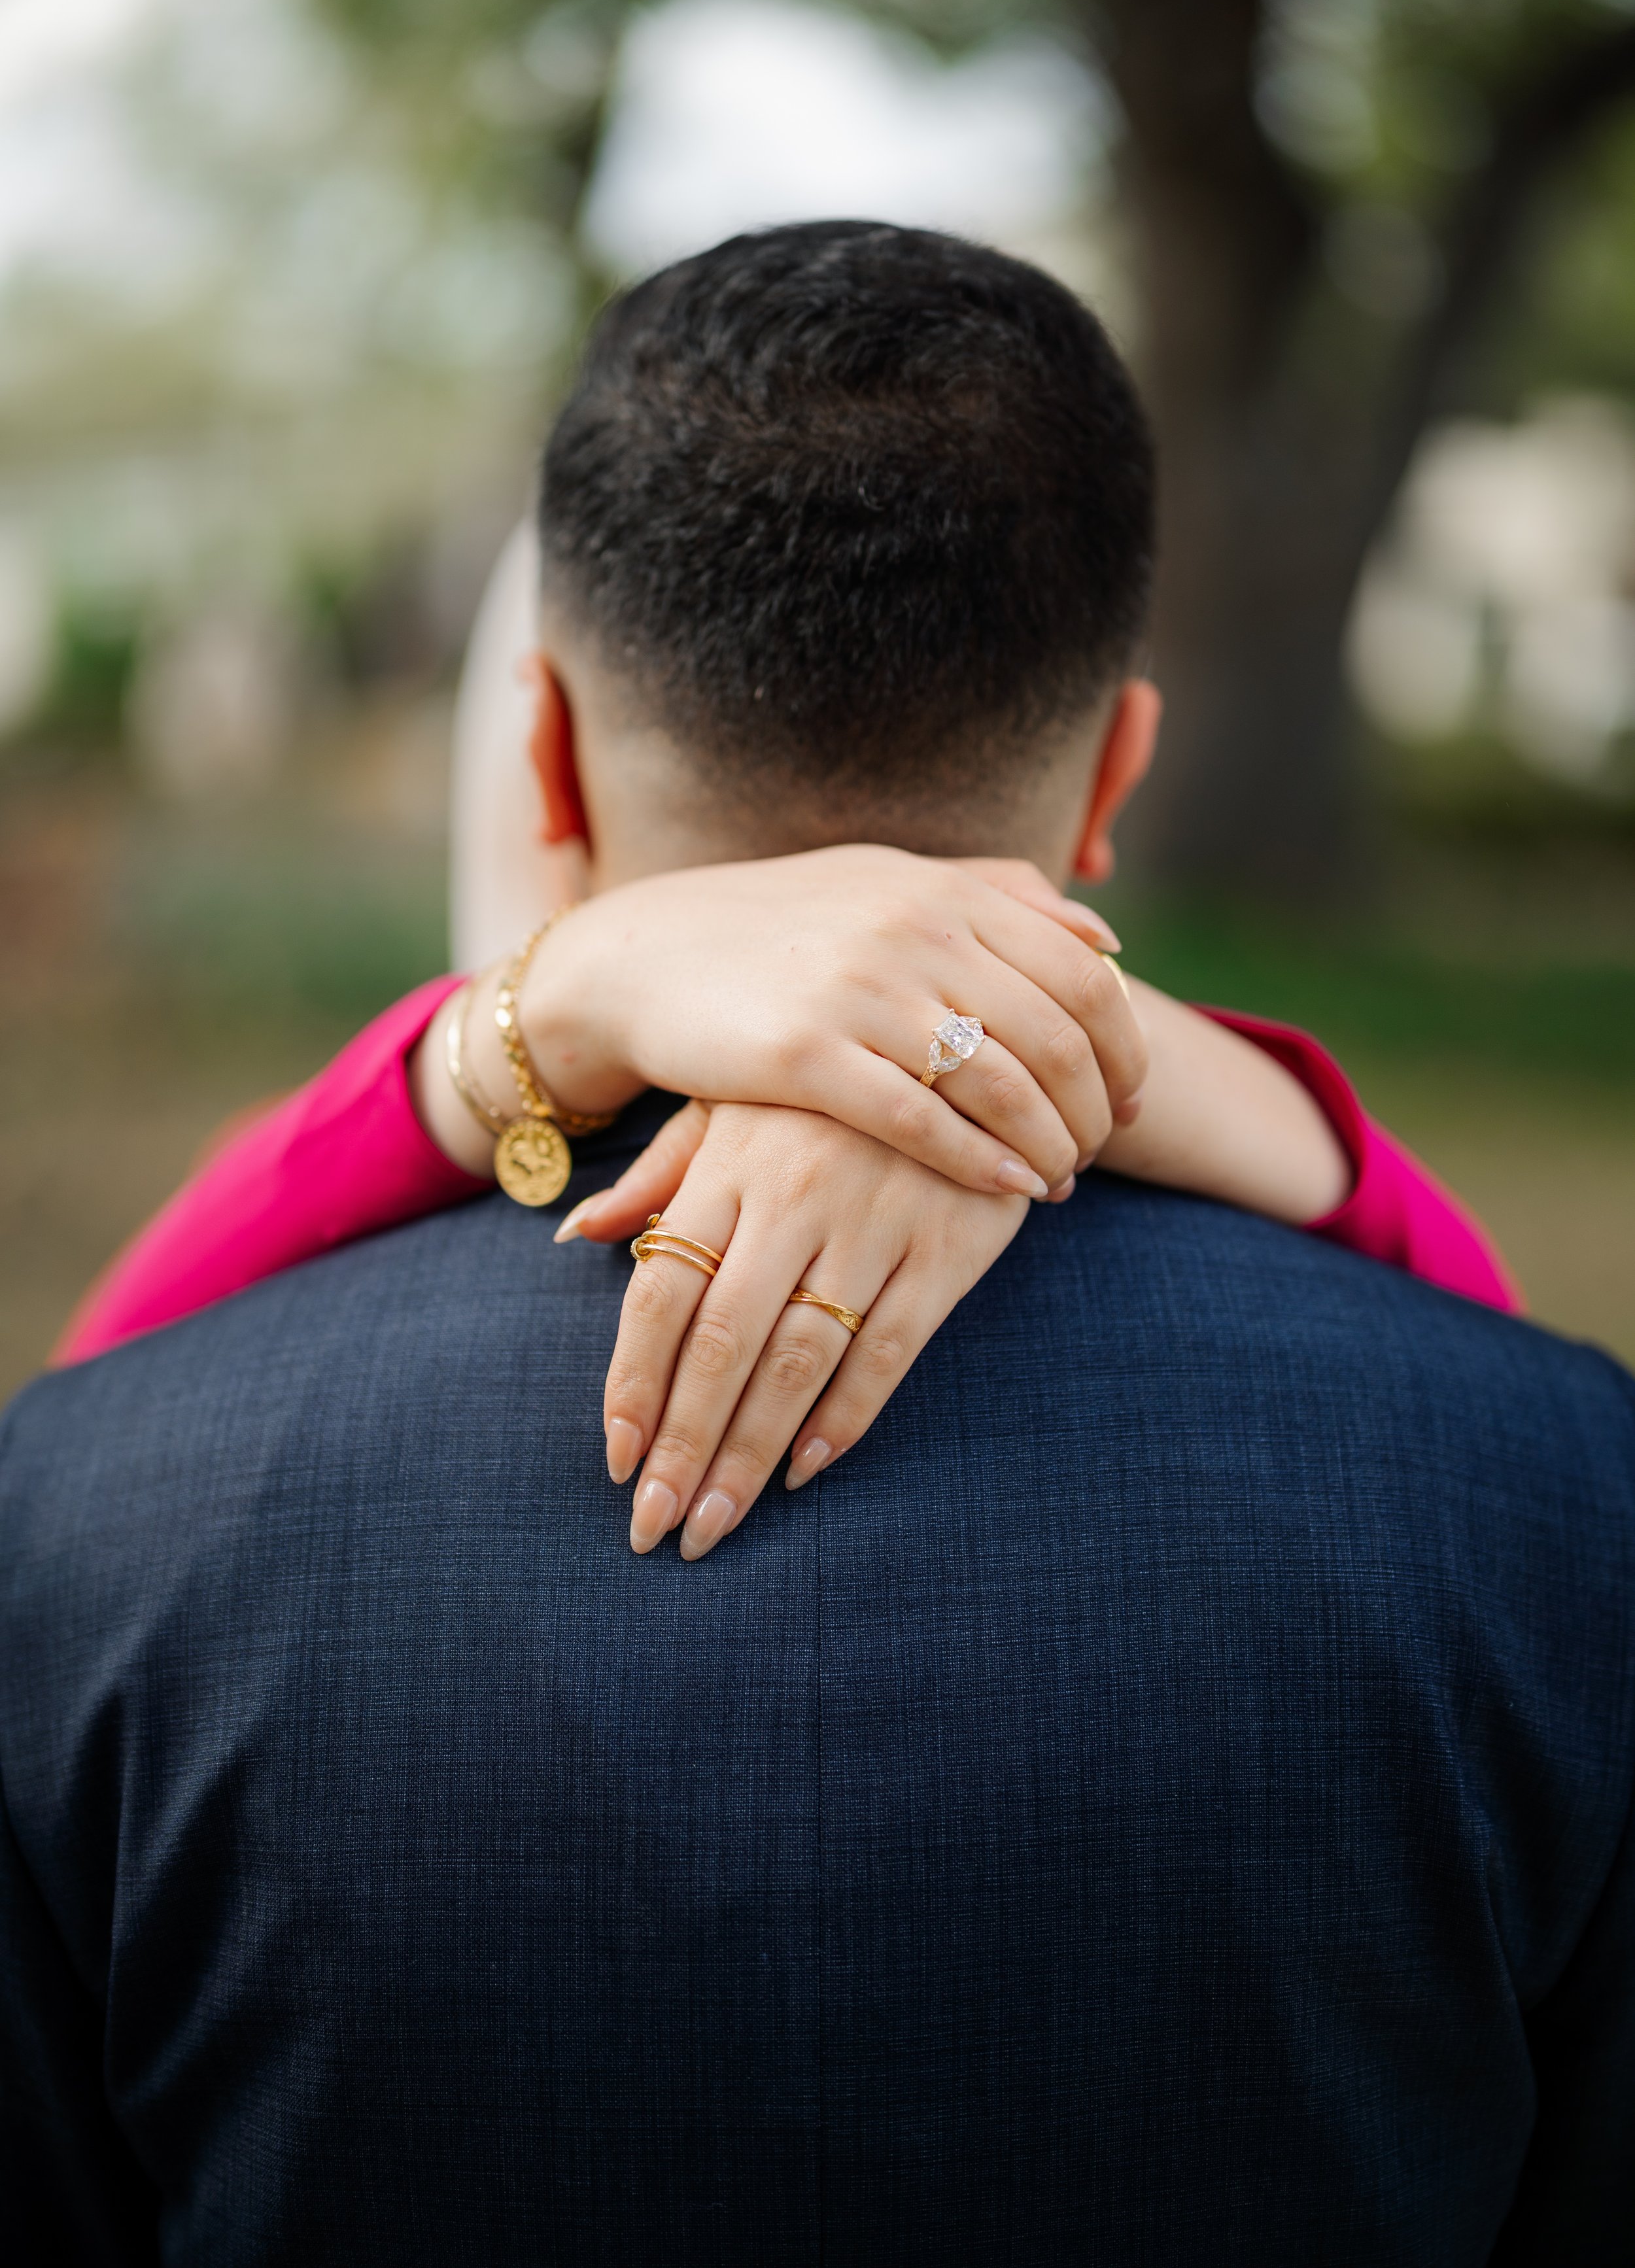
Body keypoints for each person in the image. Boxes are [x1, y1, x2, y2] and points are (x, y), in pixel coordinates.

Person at [4, 222, 1632, 2262]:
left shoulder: (78, 1515)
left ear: (537, 746)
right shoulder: (1568, 1495)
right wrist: (1195, 1086)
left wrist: (508, 1032)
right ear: (1118, 766)